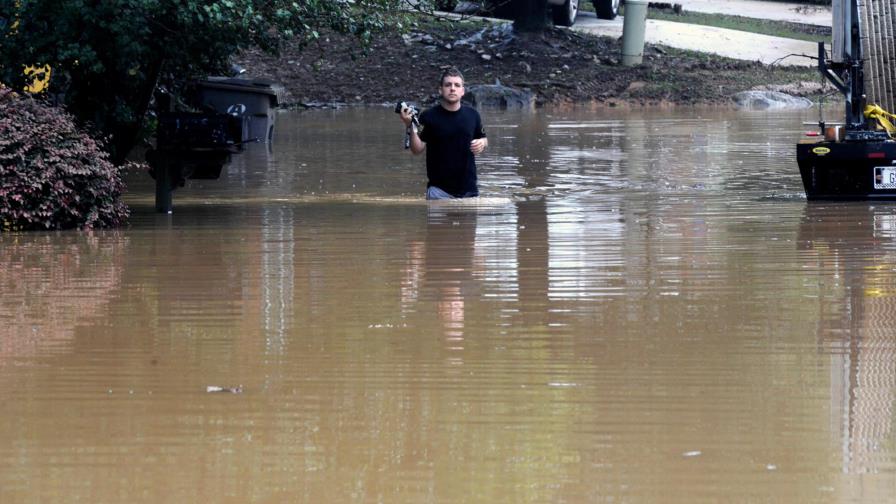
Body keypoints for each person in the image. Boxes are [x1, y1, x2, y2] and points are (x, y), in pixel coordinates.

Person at [399, 67, 488, 199]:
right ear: (440, 89)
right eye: (448, 85)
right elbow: (417, 150)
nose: (452, 88)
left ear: (462, 91)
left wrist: (482, 142)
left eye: (457, 85)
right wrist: (410, 125)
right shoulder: (428, 116)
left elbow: (483, 138)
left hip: (470, 191)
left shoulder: (473, 115)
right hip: (438, 191)